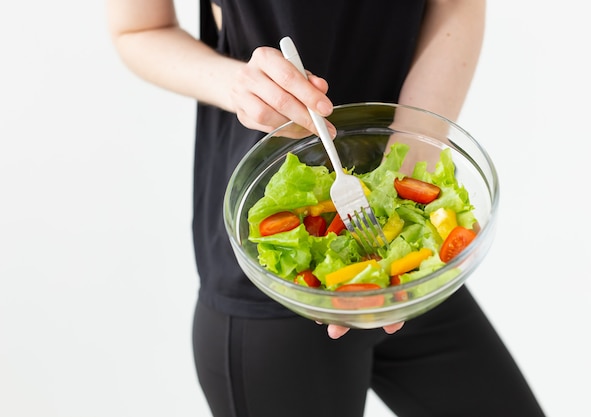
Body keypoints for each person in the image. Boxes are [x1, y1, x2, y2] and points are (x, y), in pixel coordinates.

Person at [106, 1, 545, 416]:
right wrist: (239, 86)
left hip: (407, 255)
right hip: (273, 284)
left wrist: (409, 154)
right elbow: (140, 28)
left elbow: (456, 6)